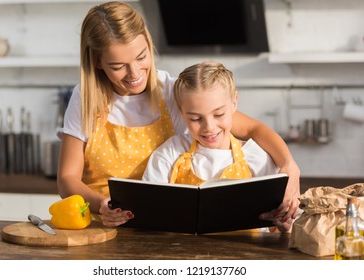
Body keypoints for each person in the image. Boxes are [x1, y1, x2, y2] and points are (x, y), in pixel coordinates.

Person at [57, 1, 300, 228]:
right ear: (97, 62)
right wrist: (102, 205)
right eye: (118, 66)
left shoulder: (169, 91)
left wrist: (289, 165)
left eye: (142, 57)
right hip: (103, 224)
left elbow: (252, 129)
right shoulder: (86, 98)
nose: (134, 73)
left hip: (157, 226)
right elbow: (67, 178)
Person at [142, 61, 292, 232]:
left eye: (219, 114)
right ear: (181, 112)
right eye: (195, 119)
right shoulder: (170, 153)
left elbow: (277, 227)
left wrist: (284, 226)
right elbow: (149, 211)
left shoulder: (257, 158)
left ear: (234, 103)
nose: (209, 127)